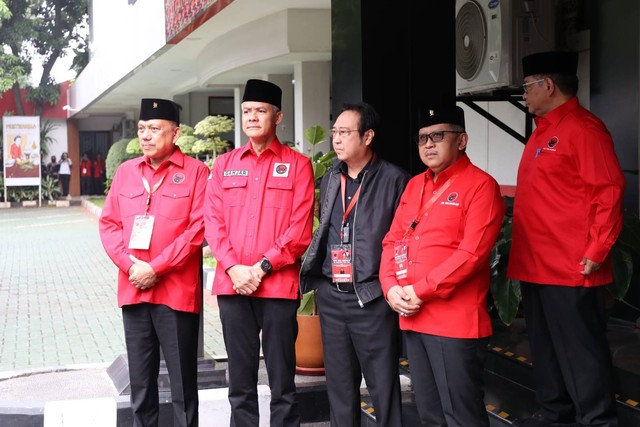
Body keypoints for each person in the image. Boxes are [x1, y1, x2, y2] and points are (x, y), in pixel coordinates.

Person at [507, 51, 624, 427]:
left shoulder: (584, 129)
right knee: (544, 347)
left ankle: (597, 419)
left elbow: (607, 191)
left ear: (548, 85)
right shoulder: (543, 131)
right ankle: (555, 413)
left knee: (581, 351)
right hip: (536, 263)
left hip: (572, 265)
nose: (524, 94)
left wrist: (596, 249)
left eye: (527, 87)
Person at [379, 104, 505, 427]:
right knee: (430, 416)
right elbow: (392, 241)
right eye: (422, 139)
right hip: (413, 318)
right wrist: (390, 287)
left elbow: (471, 254)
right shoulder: (413, 185)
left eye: (438, 135)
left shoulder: (481, 186)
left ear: (461, 141)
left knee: (461, 418)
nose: (429, 144)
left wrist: (418, 291)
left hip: (454, 324)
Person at [204, 79, 315, 426]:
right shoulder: (224, 165)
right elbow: (213, 223)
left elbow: (299, 231)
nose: (252, 117)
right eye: (247, 111)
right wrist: (235, 268)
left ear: (277, 116)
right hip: (233, 287)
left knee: (282, 381)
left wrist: (262, 268)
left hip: (278, 288)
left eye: (261, 111)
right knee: (239, 382)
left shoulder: (298, 165)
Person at [99, 98, 209, 427]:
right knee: (141, 385)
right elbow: (109, 224)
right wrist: (130, 265)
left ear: (174, 133)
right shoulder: (126, 173)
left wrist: (156, 267)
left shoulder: (196, 173)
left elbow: (198, 229)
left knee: (183, 386)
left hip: (175, 294)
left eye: (155, 129)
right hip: (134, 291)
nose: (146, 136)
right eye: (142, 129)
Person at [299, 102, 410, 426]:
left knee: (383, 389)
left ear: (368, 136)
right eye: (335, 132)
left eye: (345, 132)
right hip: (333, 297)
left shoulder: (394, 180)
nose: (336, 139)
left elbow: (401, 240)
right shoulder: (332, 176)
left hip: (372, 298)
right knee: (340, 389)